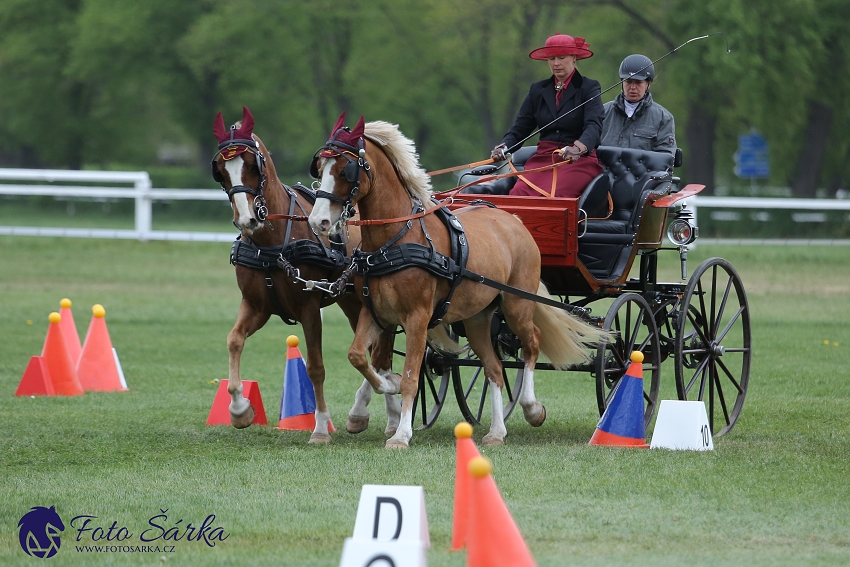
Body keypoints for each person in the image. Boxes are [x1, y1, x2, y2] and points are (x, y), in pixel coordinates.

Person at [490, 34, 604, 198]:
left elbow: (594, 125)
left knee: (554, 195)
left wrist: (578, 148)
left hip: (577, 161)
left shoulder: (589, 87)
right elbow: (521, 127)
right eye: (551, 59)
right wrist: (504, 146)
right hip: (544, 159)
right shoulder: (537, 90)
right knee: (518, 193)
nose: (556, 63)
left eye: (561, 57)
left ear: (574, 58)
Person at [601, 54, 676, 154]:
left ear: (649, 84)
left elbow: (666, 157)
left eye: (638, 82)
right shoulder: (602, 113)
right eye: (628, 81)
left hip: (646, 170)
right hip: (606, 169)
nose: (632, 87)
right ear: (622, 82)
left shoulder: (663, 118)